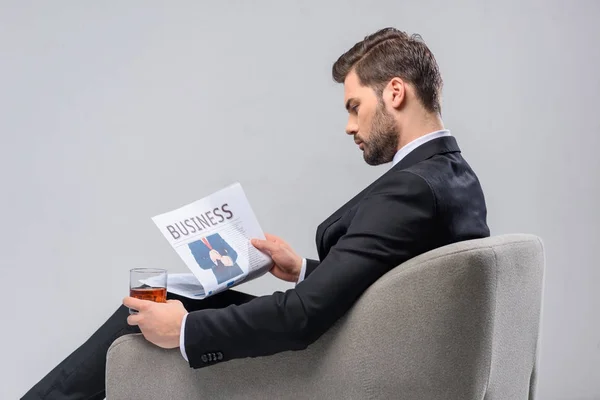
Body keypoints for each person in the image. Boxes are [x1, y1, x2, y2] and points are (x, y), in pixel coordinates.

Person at [22, 27, 490, 399]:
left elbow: (302, 319)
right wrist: (303, 269)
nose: (349, 126)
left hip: (342, 359)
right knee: (167, 295)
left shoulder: (410, 189)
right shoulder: (452, 175)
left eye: (354, 107)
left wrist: (185, 330)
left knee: (154, 308)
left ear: (394, 93)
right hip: (377, 341)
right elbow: (394, 279)